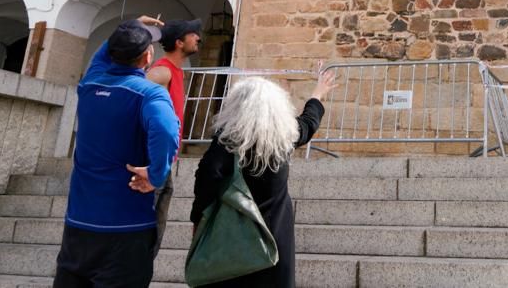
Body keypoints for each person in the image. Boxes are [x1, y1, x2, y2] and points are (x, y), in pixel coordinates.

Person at [54, 16, 180, 288]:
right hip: (127, 228)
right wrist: (156, 175)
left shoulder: (89, 85)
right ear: (148, 56)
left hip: (78, 223)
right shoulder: (149, 94)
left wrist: (130, 24)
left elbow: (102, 55)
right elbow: (168, 131)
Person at [190, 68, 338, 288]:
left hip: (231, 239)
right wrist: (318, 93)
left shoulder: (225, 145)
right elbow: (308, 123)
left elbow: (206, 182)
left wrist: (198, 222)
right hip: (273, 239)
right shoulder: (284, 139)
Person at [146, 18, 203, 252]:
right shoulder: (162, 71)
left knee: (154, 230)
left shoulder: (176, 72)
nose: (198, 38)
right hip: (152, 160)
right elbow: (134, 93)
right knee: (146, 228)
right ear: (179, 42)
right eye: (193, 34)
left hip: (165, 160)